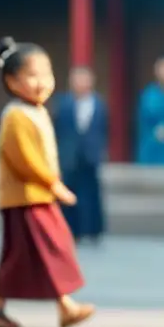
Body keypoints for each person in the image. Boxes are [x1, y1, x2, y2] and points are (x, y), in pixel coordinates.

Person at [0, 38, 95, 327]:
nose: (42, 82)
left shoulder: (35, 110)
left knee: (17, 255)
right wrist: (52, 183)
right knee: (52, 247)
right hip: (29, 195)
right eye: (33, 76)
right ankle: (66, 305)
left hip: (31, 195)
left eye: (47, 75)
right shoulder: (16, 115)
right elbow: (24, 158)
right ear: (12, 81)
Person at [53, 67, 107, 244]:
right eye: (77, 80)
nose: (80, 83)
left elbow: (104, 130)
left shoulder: (99, 104)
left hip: (90, 154)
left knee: (92, 193)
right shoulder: (63, 103)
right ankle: (71, 230)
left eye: (84, 79)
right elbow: (57, 129)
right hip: (69, 155)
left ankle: (93, 231)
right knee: (69, 194)